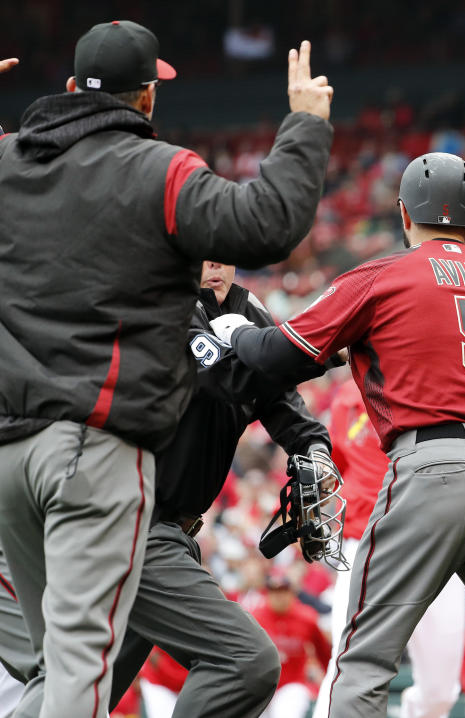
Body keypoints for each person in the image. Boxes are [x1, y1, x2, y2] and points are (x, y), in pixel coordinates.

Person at [0, 19, 335, 715]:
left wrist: (308, 437)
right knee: (82, 679)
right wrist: (303, 126)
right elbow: (270, 221)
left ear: (68, 89)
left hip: (11, 460)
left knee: (57, 675)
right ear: (147, 100)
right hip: (94, 459)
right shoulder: (158, 173)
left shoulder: (9, 163)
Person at [211, 152, 465, 718]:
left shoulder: (383, 275)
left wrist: (235, 331)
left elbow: (277, 356)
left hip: (436, 465)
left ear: (404, 214)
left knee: (365, 661)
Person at [0, 261, 342, 717]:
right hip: (122, 522)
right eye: (205, 247)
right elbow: (227, 375)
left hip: (157, 531)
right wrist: (312, 349)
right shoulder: (161, 301)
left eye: (227, 247)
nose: (216, 260)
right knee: (245, 662)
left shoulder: (246, 311)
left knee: (77, 694)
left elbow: (278, 399)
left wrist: (313, 446)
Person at [313, 381, 465, 718]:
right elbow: (336, 464)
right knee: (344, 662)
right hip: (367, 544)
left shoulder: (433, 383)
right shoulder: (347, 397)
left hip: (435, 544)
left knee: (441, 691)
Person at [252, 573, 332, 718]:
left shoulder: (307, 617)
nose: (279, 596)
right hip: (260, 685)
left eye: (283, 591)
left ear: (291, 593)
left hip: (292, 684)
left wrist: (329, 684)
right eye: (274, 591)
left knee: (286, 713)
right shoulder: (255, 617)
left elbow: (325, 655)